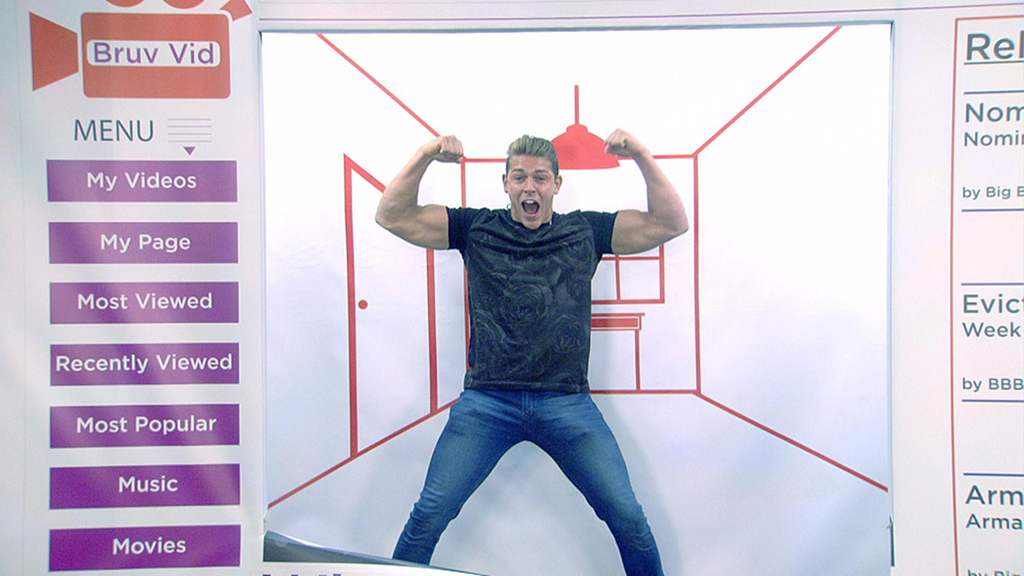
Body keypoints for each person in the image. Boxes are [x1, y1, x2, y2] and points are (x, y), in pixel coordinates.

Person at [375, 129, 689, 576]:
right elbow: (391, 214)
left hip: (566, 401)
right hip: (488, 401)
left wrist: (639, 154)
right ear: (505, 183)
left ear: (556, 184)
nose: (530, 187)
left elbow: (671, 222)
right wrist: (425, 154)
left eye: (540, 177)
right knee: (428, 514)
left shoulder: (585, 231)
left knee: (628, 518)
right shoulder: (475, 228)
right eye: (519, 177)